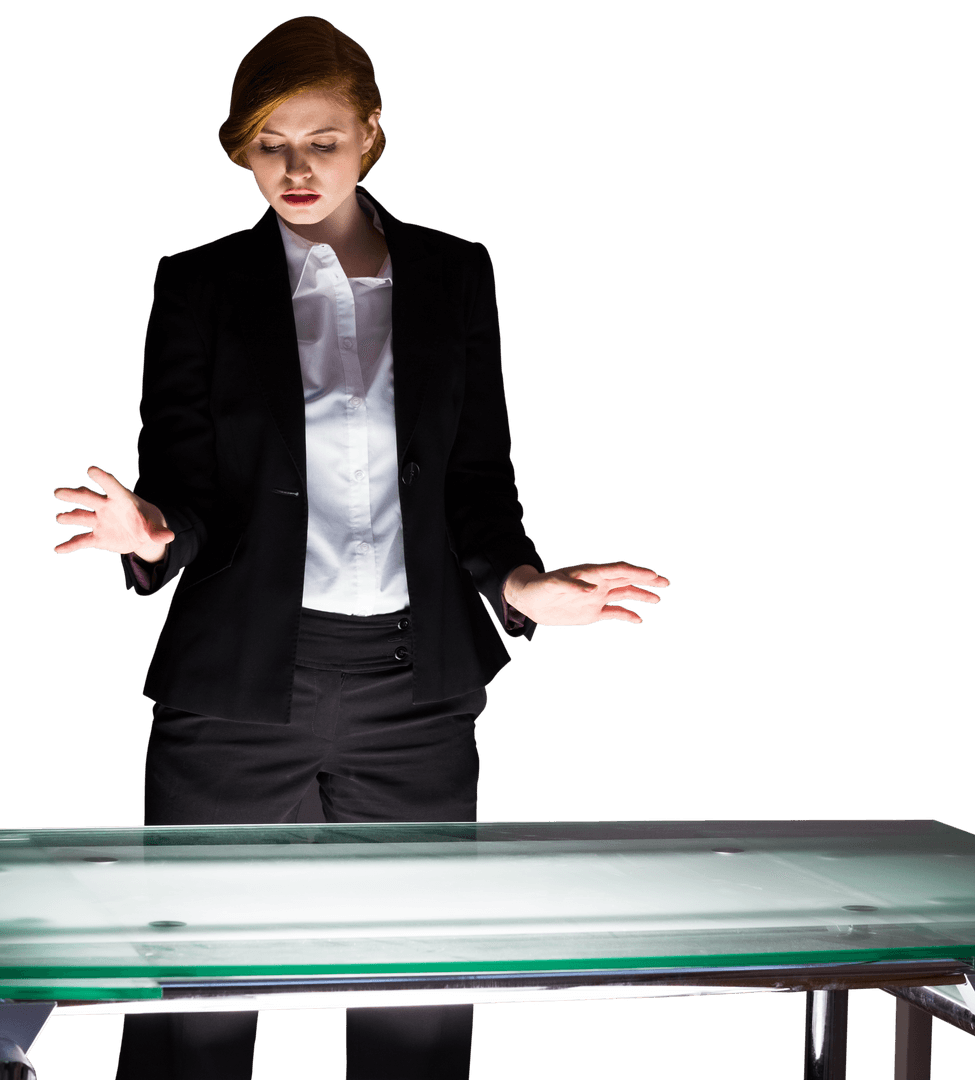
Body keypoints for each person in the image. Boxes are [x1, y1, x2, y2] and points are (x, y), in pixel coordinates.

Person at [53, 15, 669, 1080]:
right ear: (242, 147)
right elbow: (188, 486)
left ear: (372, 134)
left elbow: (477, 480)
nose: (294, 168)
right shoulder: (196, 284)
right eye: (268, 144)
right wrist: (156, 530)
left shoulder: (455, 273)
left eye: (321, 140)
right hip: (235, 697)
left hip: (414, 697)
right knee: (191, 1012)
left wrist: (522, 584)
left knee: (414, 1011)